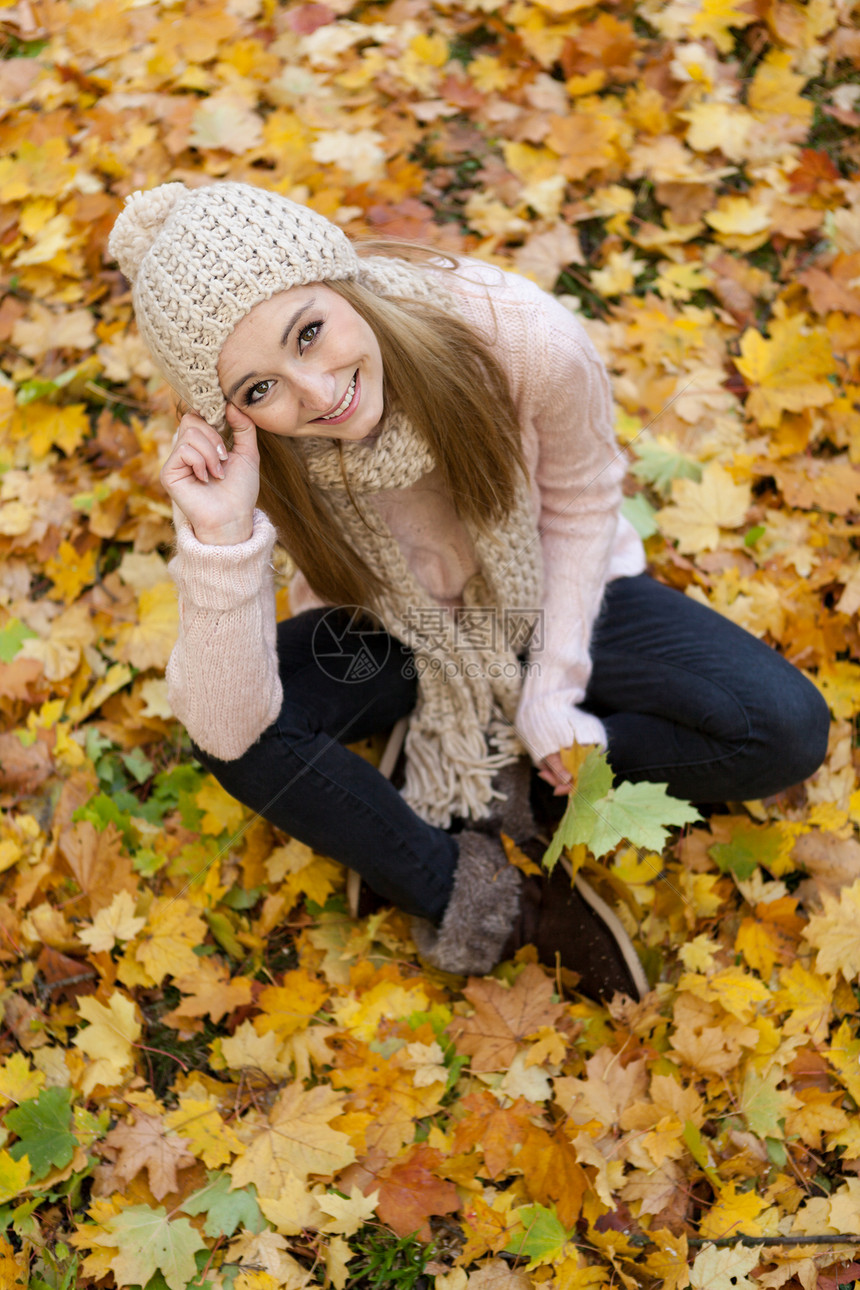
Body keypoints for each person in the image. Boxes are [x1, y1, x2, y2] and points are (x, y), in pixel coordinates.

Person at [108, 181, 829, 1003]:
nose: (315, 394)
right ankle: (479, 893)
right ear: (227, 409)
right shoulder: (245, 456)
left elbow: (585, 495)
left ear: (341, 278)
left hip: (549, 584)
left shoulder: (516, 336)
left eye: (309, 332)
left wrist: (555, 693)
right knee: (229, 733)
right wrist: (221, 534)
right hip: (389, 628)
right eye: (258, 389)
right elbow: (229, 723)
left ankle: (524, 768)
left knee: (784, 726)